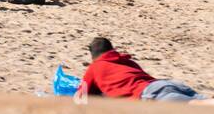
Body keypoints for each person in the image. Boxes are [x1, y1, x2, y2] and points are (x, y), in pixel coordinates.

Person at [76, 37, 206, 102]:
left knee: (197, 106)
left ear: (93, 55)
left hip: (151, 93)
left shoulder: (95, 67)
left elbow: (81, 97)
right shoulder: (128, 61)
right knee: (208, 102)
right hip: (166, 84)